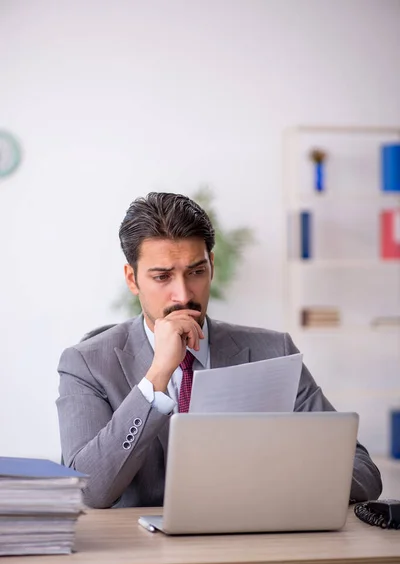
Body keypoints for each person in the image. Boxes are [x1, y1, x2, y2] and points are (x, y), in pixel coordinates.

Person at [56, 192, 382, 508]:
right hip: (138, 552)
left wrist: (276, 468)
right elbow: (90, 490)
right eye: (162, 277)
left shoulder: (274, 351)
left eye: (196, 272)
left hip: (249, 543)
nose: (183, 294)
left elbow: (363, 472)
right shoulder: (87, 364)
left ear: (212, 265)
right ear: (132, 279)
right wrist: (156, 377)